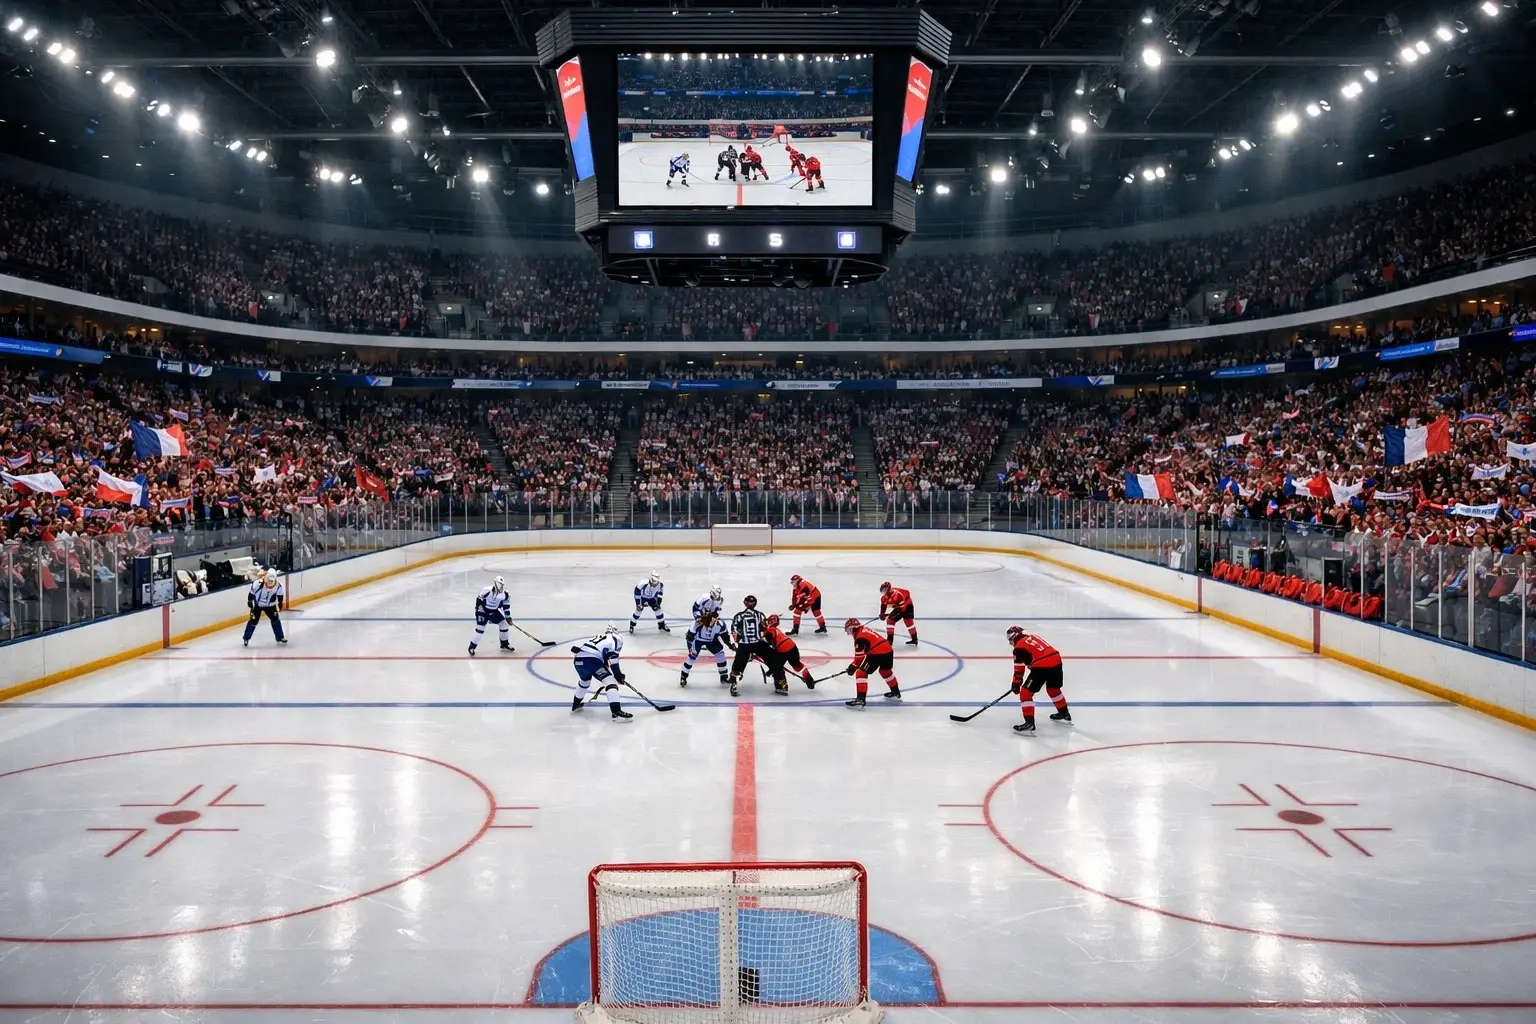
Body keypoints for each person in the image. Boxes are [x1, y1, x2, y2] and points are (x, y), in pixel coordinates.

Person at [1007, 625, 1070, 735]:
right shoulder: (1033, 637)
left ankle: (1029, 723)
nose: (1010, 643)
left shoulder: (1019, 648)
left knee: (1025, 694)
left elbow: (1019, 669)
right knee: (1053, 689)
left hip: (1042, 666)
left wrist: (1016, 683)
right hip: (1056, 661)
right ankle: (1064, 713)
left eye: (1010, 640)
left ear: (1014, 637)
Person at [570, 624, 633, 722]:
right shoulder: (617, 639)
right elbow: (613, 660)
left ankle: (576, 704)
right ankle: (616, 713)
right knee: (610, 682)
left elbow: (602, 655)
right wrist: (618, 676)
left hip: (578, 660)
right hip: (591, 661)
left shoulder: (600, 637)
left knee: (584, 681)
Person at [842, 616, 899, 708]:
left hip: (878, 652)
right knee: (885, 671)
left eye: (848, 630)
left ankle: (860, 699)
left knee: (861, 673)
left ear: (853, 628)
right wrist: (853, 666)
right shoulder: (864, 629)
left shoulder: (859, 638)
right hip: (888, 650)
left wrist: (852, 667)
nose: (849, 633)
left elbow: (859, 659)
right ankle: (896, 692)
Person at [726, 594, 770, 697]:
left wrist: (737, 641)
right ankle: (781, 682)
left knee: (737, 667)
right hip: (757, 643)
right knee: (773, 660)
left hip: (744, 645)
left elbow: (734, 630)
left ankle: (734, 681)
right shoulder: (760, 615)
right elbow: (765, 630)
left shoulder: (739, 616)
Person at [763, 613, 816, 695]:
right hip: (793, 647)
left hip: (783, 650)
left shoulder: (769, 631)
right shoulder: (775, 629)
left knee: (777, 669)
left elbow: (769, 643)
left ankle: (782, 687)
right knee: (796, 665)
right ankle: (809, 679)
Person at [680, 609, 731, 687]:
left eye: (712, 621)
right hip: (697, 641)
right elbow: (689, 638)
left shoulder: (720, 624)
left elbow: (725, 637)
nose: (710, 624)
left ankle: (724, 677)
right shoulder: (696, 623)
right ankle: (683, 676)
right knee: (691, 657)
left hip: (712, 641)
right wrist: (690, 649)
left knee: (720, 655)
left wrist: (730, 644)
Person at [469, 574, 514, 655]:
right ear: (496, 583)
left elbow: (506, 605)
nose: (501, 587)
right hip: (483, 612)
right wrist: (478, 611)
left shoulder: (505, 594)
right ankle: (472, 647)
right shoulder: (486, 590)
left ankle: (504, 643)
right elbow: (479, 600)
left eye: (502, 585)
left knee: (504, 624)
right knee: (480, 629)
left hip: (494, 611)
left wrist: (508, 617)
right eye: (500, 585)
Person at [243, 568, 287, 647]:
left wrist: (280, 604)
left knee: (275, 619)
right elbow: (251, 594)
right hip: (258, 605)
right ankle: (246, 637)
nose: (269, 585)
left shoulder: (278, 586)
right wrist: (250, 601)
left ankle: (280, 637)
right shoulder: (258, 584)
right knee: (253, 621)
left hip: (270, 606)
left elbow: (280, 596)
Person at [878, 580, 918, 645]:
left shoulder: (897, 596)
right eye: (882, 591)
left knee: (892, 620)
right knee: (907, 622)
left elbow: (902, 609)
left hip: (907, 606)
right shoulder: (884, 598)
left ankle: (890, 641)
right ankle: (914, 639)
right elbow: (883, 605)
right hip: (902, 606)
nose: (883, 593)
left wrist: (891, 614)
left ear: (888, 590)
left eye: (884, 591)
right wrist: (882, 614)